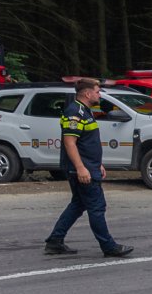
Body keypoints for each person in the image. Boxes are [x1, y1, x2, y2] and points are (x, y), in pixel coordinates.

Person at [44, 78, 133, 258]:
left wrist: (97, 163)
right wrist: (81, 168)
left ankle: (55, 241)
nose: (99, 95)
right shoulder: (74, 113)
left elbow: (86, 142)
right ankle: (109, 247)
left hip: (88, 166)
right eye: (97, 91)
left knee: (78, 205)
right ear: (87, 93)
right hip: (82, 169)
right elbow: (70, 143)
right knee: (96, 207)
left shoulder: (84, 111)